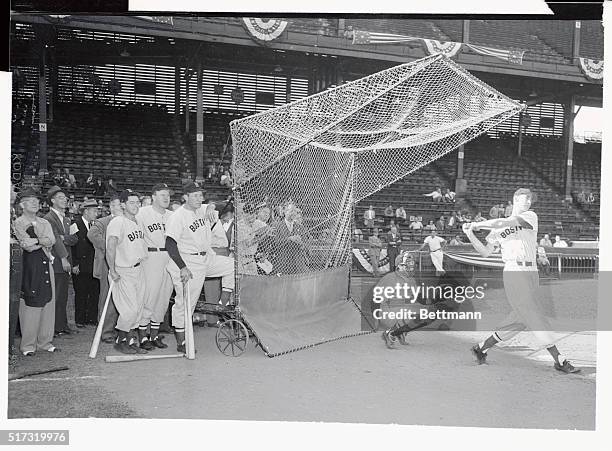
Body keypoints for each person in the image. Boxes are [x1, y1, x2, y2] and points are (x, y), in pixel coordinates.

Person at [463, 188, 579, 374]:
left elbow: (505, 221)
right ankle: (559, 359)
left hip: (531, 271)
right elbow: (485, 252)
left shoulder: (530, 216)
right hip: (514, 271)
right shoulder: (497, 228)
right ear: (515, 199)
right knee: (532, 313)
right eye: (526, 199)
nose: (529, 203)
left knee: (520, 319)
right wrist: (470, 234)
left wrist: (477, 225)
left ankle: (482, 347)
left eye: (530, 200)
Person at [164, 181, 235, 353]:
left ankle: (221, 304)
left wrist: (210, 205)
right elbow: (170, 244)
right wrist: (182, 267)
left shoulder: (202, 208)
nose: (199, 198)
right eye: (195, 195)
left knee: (232, 265)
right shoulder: (178, 216)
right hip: (187, 262)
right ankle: (181, 343)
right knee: (185, 303)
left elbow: (222, 205)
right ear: (185, 197)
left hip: (206, 258)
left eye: (201, 195)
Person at [12, 188, 59, 355]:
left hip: (47, 264)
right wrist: (41, 241)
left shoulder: (44, 222)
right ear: (22, 205)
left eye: (36, 200)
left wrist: (36, 240)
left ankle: (45, 342)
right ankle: (28, 345)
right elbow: (27, 246)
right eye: (30, 200)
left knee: (48, 301)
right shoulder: (18, 222)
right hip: (29, 266)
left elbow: (51, 240)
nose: (35, 203)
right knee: (30, 304)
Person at [106, 189, 149, 355]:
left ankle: (130, 341)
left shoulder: (137, 221)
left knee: (137, 309)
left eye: (138, 202)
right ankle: (120, 340)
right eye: (132, 202)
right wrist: (112, 270)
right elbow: (110, 247)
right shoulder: (118, 221)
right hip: (122, 270)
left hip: (138, 269)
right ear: (123, 204)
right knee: (129, 310)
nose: (136, 205)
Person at [135, 183, 174, 350]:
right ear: (153, 196)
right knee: (149, 297)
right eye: (162, 194)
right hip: (151, 256)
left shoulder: (173, 215)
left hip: (170, 257)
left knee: (164, 298)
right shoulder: (143, 213)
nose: (166, 198)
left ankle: (155, 335)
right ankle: (143, 337)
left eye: (168, 195)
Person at [43, 186, 78, 337]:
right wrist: (64, 258)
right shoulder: (48, 218)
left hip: (65, 260)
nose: (64, 200)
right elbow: (56, 240)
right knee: (56, 295)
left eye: (65, 198)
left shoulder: (67, 219)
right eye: (60, 198)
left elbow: (74, 238)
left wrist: (64, 239)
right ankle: (54, 327)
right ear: (52, 200)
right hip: (57, 261)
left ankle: (61, 325)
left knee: (63, 295)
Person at [88, 194, 122, 343]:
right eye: (117, 205)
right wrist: (111, 248)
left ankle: (121, 329)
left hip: (126, 264)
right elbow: (91, 234)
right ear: (112, 206)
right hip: (107, 265)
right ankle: (106, 331)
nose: (120, 207)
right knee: (107, 299)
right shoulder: (103, 222)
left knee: (124, 299)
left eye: (122, 204)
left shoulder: (129, 221)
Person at [72, 199, 100, 328]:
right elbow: (73, 246)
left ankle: (92, 318)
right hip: (81, 264)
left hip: (94, 264)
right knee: (81, 292)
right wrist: (75, 263)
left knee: (94, 292)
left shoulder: (97, 226)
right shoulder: (75, 225)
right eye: (94, 211)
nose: (96, 213)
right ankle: (80, 319)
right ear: (86, 211)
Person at [272, 203, 308, 274]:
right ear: (285, 211)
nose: (293, 213)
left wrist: (301, 243)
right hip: (283, 263)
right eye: (291, 211)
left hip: (297, 264)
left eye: (295, 211)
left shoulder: (300, 227)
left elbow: (306, 245)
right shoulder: (276, 226)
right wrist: (289, 239)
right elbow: (274, 244)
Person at [9, 184, 23, 357]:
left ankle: (9, 346)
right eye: (11, 189)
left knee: (13, 302)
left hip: (14, 260)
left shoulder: (12, 212)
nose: (14, 193)